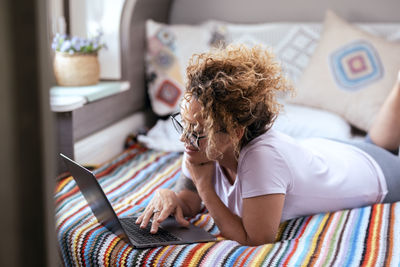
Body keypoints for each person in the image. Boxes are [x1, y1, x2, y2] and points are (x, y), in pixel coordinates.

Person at [135, 45, 400, 246]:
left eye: (197, 131)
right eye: (185, 123)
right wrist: (168, 195)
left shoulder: (261, 159)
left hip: (373, 174)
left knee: (384, 153)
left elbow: (255, 239)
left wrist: (205, 186)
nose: (185, 139)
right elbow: (189, 202)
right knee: (376, 143)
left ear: (236, 133)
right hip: (328, 151)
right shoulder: (202, 144)